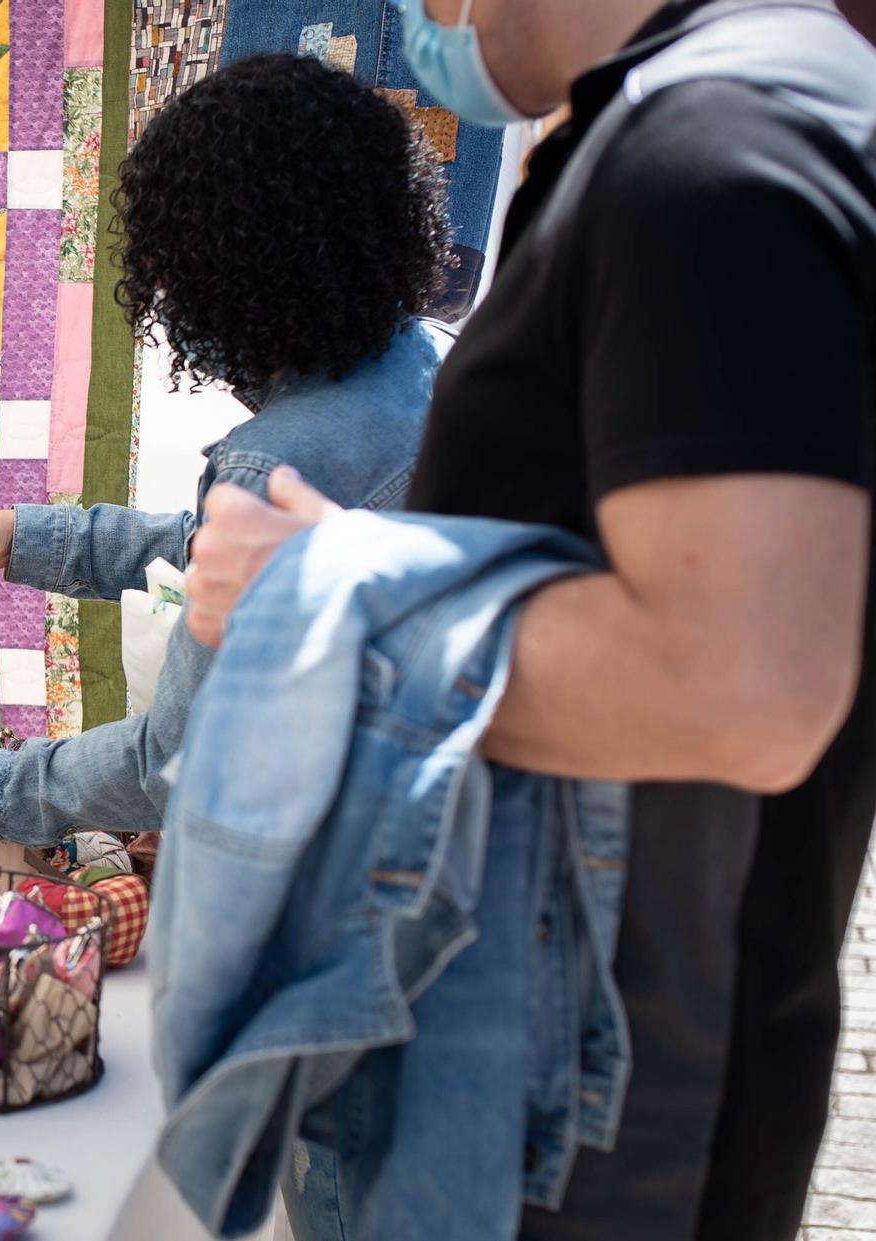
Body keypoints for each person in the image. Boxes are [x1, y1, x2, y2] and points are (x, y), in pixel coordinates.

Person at [185, 2, 876, 1237]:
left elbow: (744, 683)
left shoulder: (704, 162)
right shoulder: (749, 111)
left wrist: (322, 590)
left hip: (595, 1110)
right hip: (631, 1045)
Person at [0, 54, 453, 842]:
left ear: (230, 274)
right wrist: (22, 538)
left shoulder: (272, 467)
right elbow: (206, 548)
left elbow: (174, 761)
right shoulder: (433, 363)